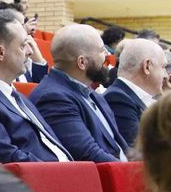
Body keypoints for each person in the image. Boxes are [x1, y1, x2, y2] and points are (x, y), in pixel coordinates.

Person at [0, 11, 71, 164]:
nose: (30, 51)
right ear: (0, 52)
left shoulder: (19, 97)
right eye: (23, 45)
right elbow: (8, 157)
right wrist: (66, 174)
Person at [29, 24, 127, 163]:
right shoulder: (53, 98)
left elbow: (119, 147)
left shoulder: (93, 94)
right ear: (82, 62)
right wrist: (132, 173)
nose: (107, 54)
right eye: (101, 50)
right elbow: (87, 154)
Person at [103, 37, 165, 151]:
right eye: (163, 67)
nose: (165, 75)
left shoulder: (129, 96)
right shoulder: (117, 99)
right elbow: (138, 151)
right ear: (147, 66)